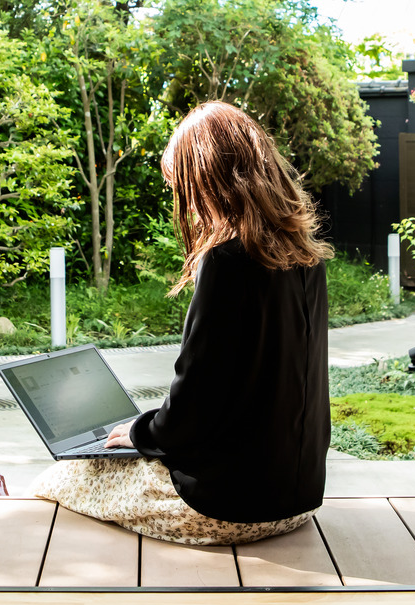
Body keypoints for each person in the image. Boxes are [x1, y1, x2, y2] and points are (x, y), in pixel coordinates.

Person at [30, 101, 332, 545]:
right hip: (299, 500)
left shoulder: (227, 261)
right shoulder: (306, 258)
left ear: (211, 179)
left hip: (230, 507)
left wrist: (139, 431)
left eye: (185, 187)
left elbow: (195, 405)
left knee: (62, 477)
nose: (188, 203)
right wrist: (152, 429)